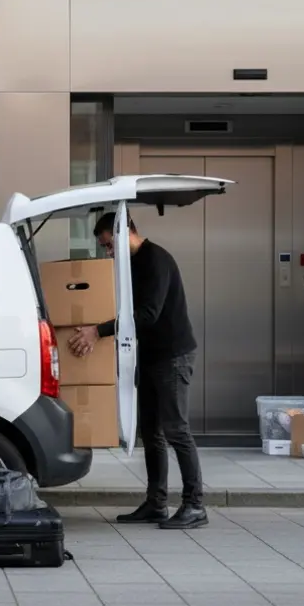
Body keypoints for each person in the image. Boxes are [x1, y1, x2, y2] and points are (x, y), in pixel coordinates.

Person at [68, 211, 206, 530]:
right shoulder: (132, 264)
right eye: (105, 248)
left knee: (176, 430)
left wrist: (97, 331)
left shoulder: (155, 259)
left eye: (109, 245)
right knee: (151, 433)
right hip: (151, 356)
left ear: (126, 231)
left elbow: (148, 314)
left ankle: (195, 505)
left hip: (173, 355)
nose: (109, 252)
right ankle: (156, 503)